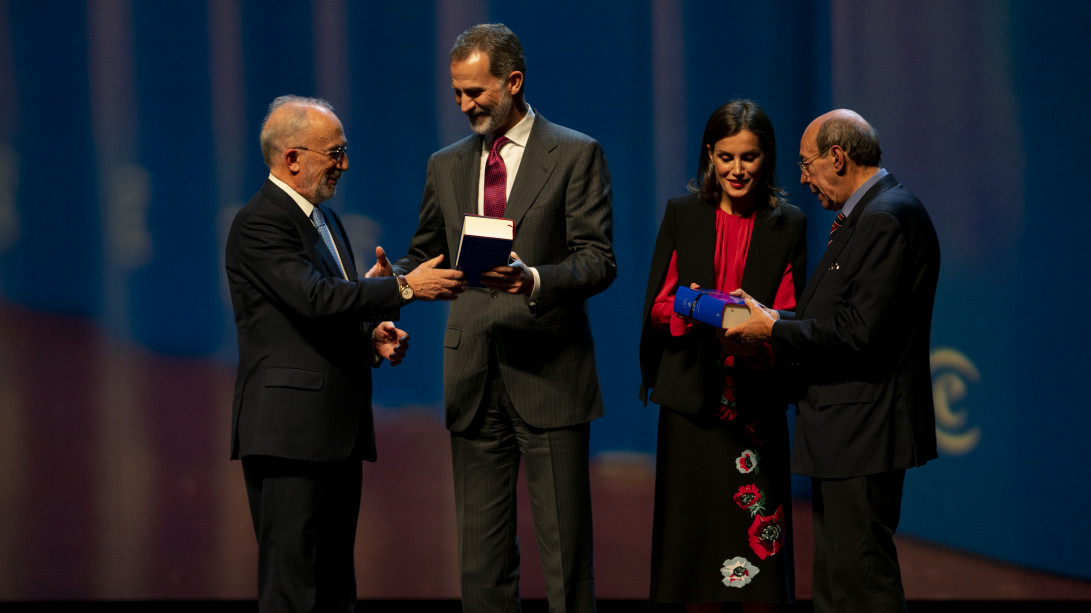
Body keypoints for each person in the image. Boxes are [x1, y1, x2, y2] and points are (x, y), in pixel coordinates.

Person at [390, 23, 615, 613]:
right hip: (472, 378)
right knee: (482, 567)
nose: (465, 105)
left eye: (476, 92)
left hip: (549, 375)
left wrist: (534, 279)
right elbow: (425, 252)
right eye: (457, 93)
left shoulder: (575, 153)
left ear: (513, 82)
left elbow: (598, 261)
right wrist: (399, 281)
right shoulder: (446, 164)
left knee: (567, 562)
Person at [225, 95, 463, 612]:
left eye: (344, 151)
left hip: (333, 433)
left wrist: (369, 335)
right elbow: (314, 297)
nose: (344, 164)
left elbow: (315, 314)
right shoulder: (261, 222)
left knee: (334, 588)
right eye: (333, 153)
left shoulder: (325, 222)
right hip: (289, 436)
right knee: (295, 591)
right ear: (292, 158)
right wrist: (403, 289)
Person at [727, 109, 940, 613]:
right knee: (837, 584)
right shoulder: (872, 214)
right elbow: (830, 312)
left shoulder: (886, 218)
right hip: (847, 432)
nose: (802, 178)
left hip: (863, 431)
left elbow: (859, 334)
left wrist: (773, 330)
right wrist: (771, 316)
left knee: (860, 585)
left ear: (837, 158)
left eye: (807, 164)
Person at [638, 100, 807, 612]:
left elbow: (790, 312)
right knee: (686, 555)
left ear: (766, 158)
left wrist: (754, 332)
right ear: (710, 155)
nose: (737, 169)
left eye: (749, 157)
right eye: (727, 156)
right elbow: (659, 304)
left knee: (759, 558)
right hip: (692, 408)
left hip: (755, 408)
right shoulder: (683, 214)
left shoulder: (788, 223)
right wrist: (702, 311)